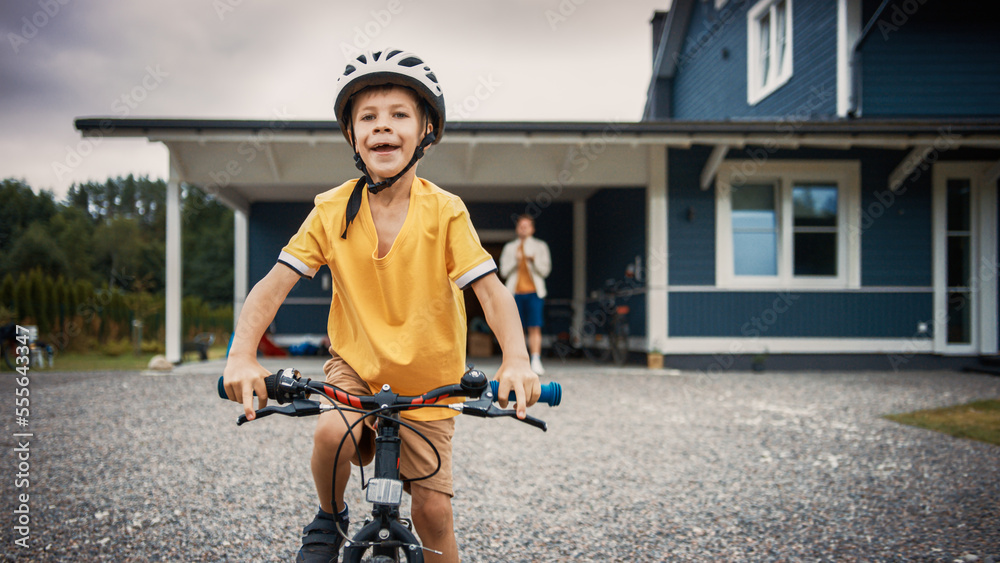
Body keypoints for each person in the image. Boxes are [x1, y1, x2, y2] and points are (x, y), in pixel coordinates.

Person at [221, 49, 541, 563]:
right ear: (352, 135)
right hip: (356, 365)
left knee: (434, 515)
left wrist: (516, 362)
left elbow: (491, 291)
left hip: (430, 381)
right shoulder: (331, 209)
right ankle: (330, 516)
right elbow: (273, 285)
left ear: (425, 131)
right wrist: (241, 356)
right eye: (367, 117)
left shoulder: (446, 211)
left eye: (398, 115)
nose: (382, 127)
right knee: (331, 432)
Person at [499, 215, 552, 375]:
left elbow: (545, 270)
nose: (523, 228)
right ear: (517, 229)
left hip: (535, 292)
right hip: (515, 293)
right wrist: (516, 260)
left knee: (535, 326)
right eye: (521, 226)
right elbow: (503, 271)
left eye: (527, 226)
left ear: (532, 229)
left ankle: (536, 360)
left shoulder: (540, 246)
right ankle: (518, 361)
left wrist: (533, 260)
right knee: (516, 329)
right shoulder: (509, 248)